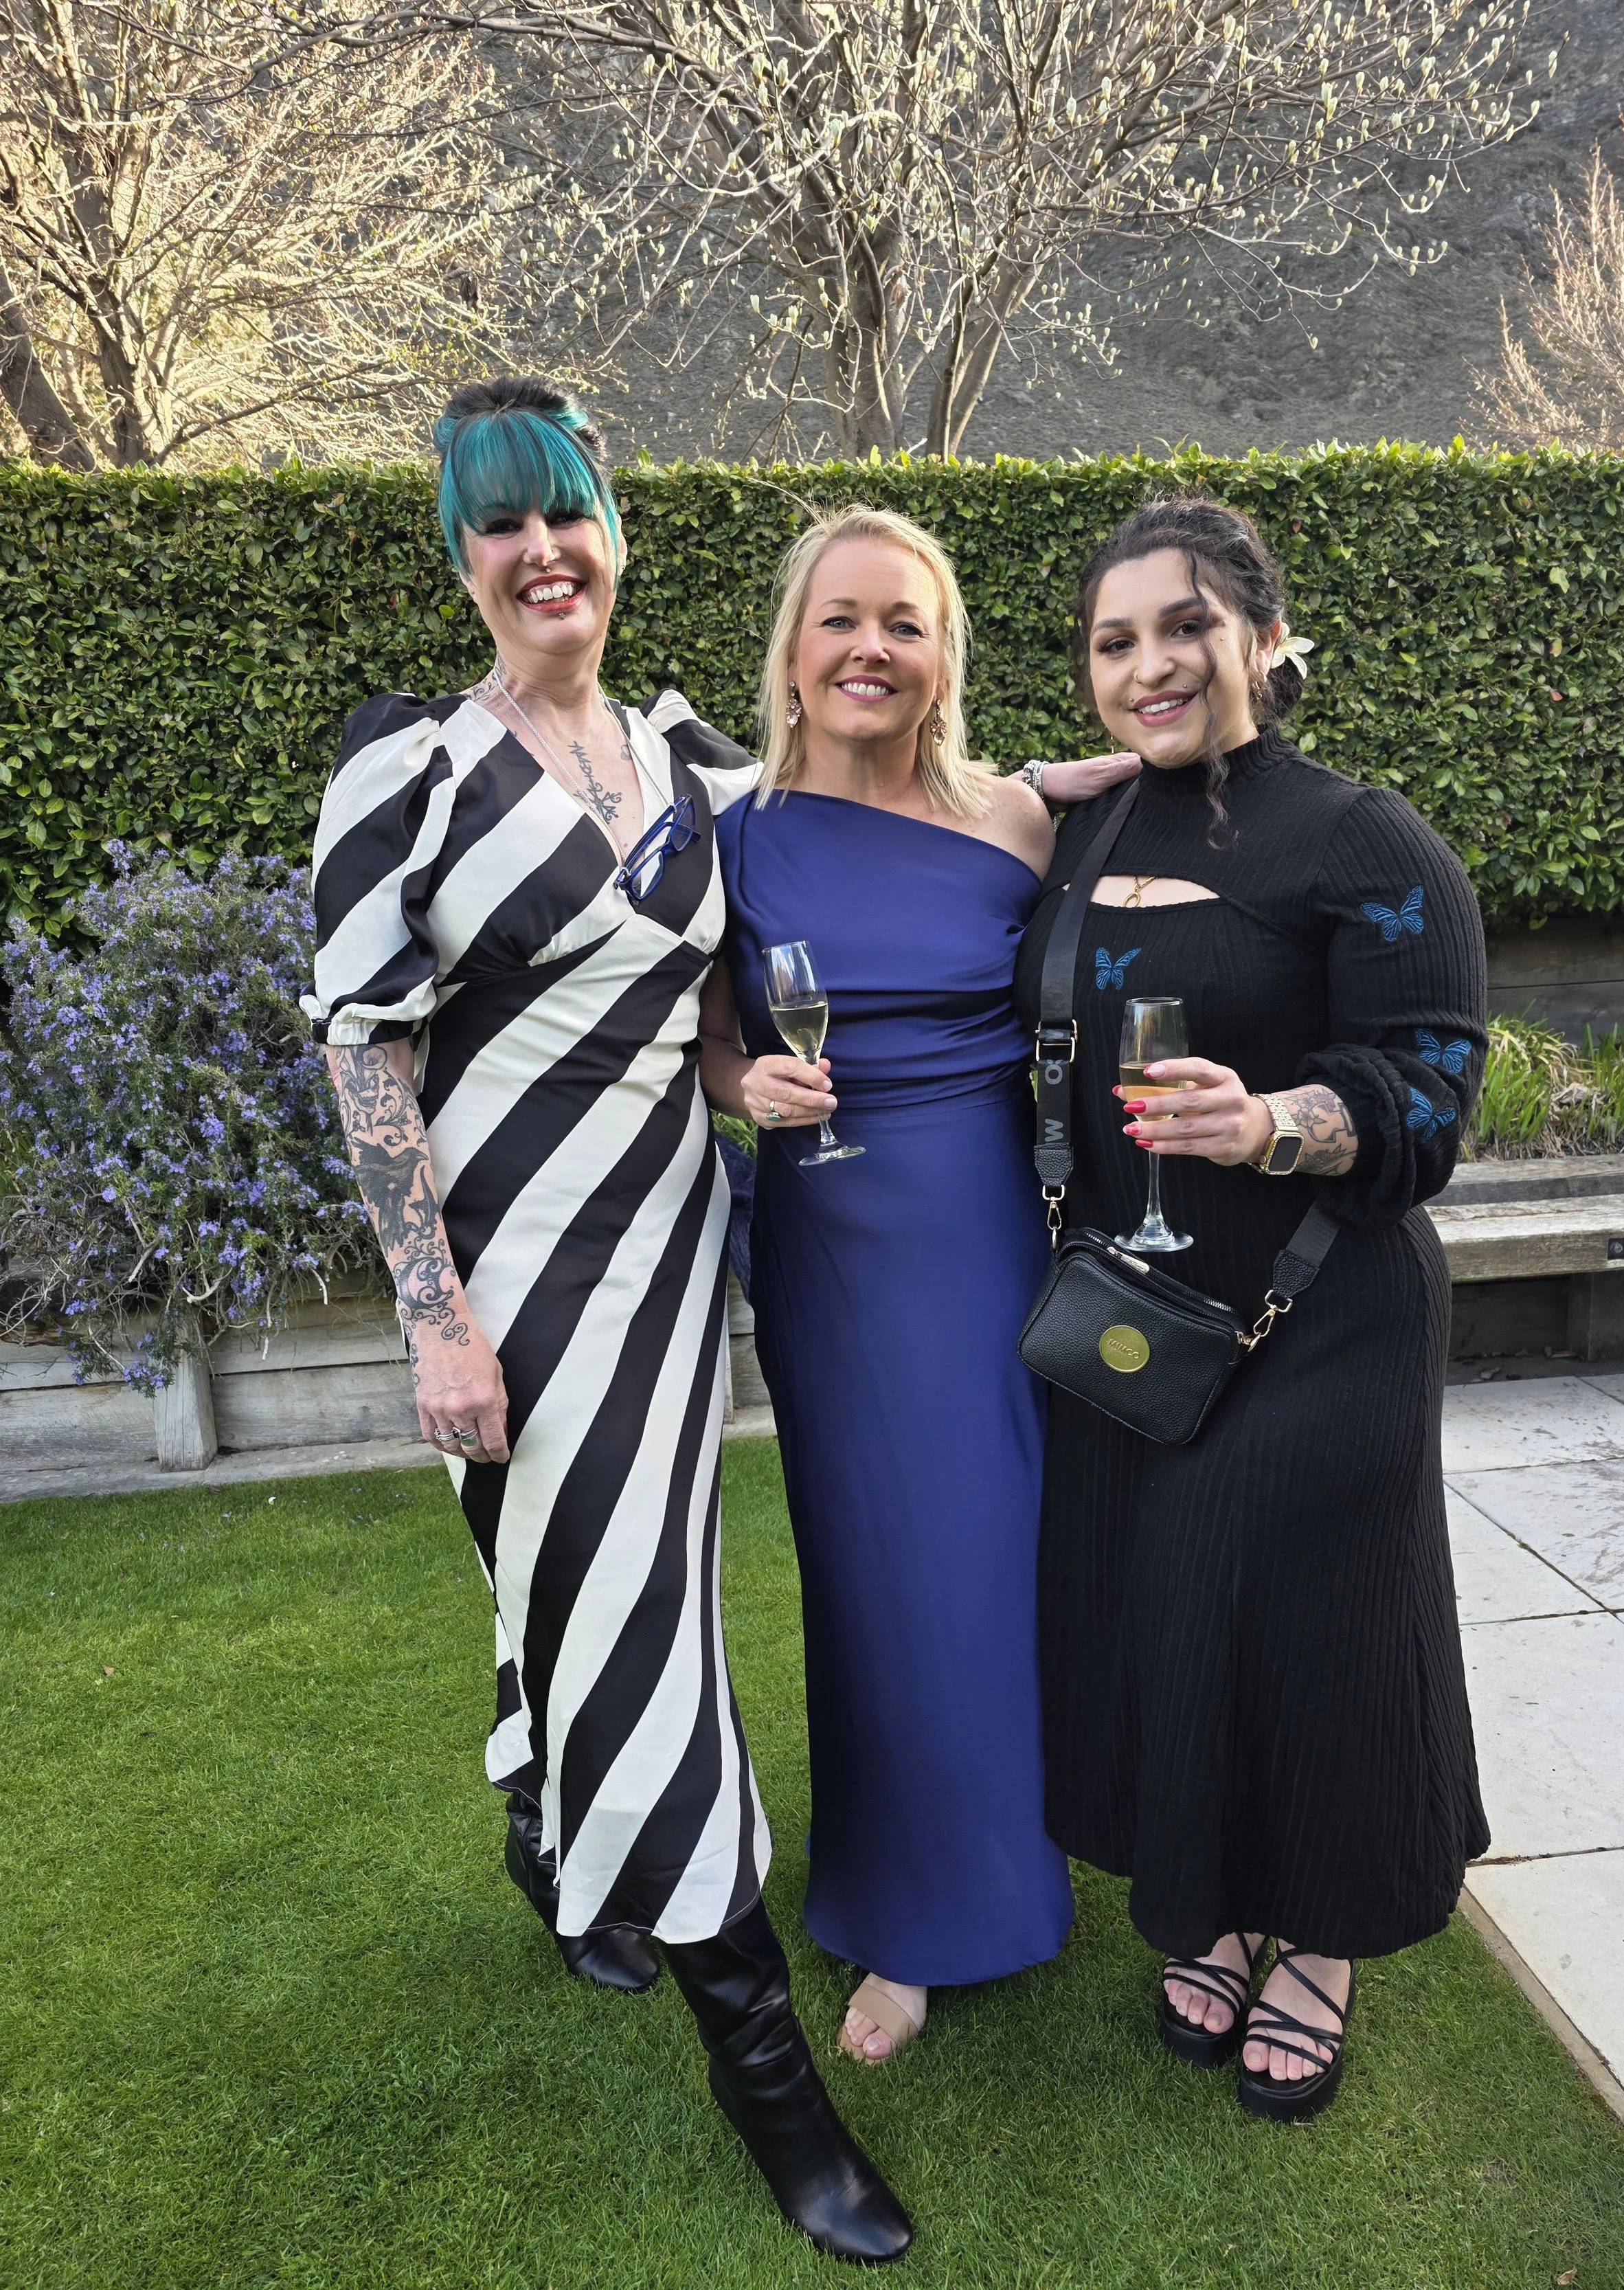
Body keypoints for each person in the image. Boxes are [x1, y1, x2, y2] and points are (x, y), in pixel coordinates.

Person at [301, 374, 912, 2263]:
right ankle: (773, 2090)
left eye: (565, 511)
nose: (540, 550)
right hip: (509, 1278)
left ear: (614, 534)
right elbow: (365, 1051)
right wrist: (435, 1319)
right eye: (499, 523)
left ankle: (554, 1840)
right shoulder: (401, 768)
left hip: (667, 1259)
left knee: (584, 1591)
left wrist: (756, 1087)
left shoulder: (695, 761)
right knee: (641, 1631)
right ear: (463, 559)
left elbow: (714, 1024)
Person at [1013, 496, 1491, 2122]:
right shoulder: (1078, 835)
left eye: (1184, 627)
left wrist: (1278, 1117)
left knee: (1308, 1630)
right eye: (1112, 639)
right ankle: (1208, 1900)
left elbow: (1432, 1093)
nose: (1148, 665)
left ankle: (1321, 1941)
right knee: (1170, 1609)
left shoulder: (1366, 840)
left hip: (1320, 1312)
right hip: (1132, 1316)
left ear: (1264, 640)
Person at [698, 506, 1135, 2067]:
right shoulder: (729, 838)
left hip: (988, 1242)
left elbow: (1162, 816)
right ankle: (897, 1918)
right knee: (874, 1575)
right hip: (830, 1250)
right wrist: (746, 1086)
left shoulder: (1015, 818)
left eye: (903, 620)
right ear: (793, 653)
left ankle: (1018, 1862)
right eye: (840, 620)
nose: (869, 648)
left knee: (999, 1568)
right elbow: (698, 1041)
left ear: (941, 652)